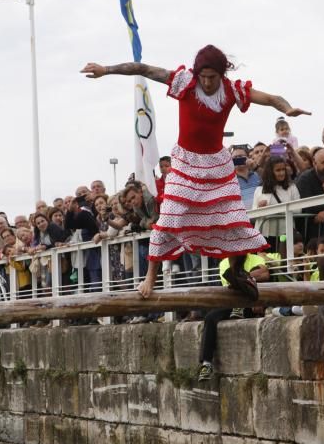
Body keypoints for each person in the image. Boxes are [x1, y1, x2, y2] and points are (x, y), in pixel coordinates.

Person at [81, 44, 309, 299]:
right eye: (204, 77)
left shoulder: (231, 90)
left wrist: (287, 109)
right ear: (197, 74)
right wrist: (106, 70)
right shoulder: (184, 82)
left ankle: (236, 271)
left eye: (213, 78)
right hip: (186, 162)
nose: (208, 83)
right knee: (168, 217)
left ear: (222, 75)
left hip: (216, 164)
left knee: (234, 218)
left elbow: (270, 99)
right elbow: (143, 69)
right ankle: (150, 277)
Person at [196, 253, 271, 381]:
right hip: (231, 304)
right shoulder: (223, 263)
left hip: (252, 303)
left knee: (241, 283)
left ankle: (239, 308)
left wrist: (242, 277)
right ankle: (206, 363)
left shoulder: (256, 259)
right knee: (210, 317)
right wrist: (245, 279)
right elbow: (230, 287)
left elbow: (264, 274)